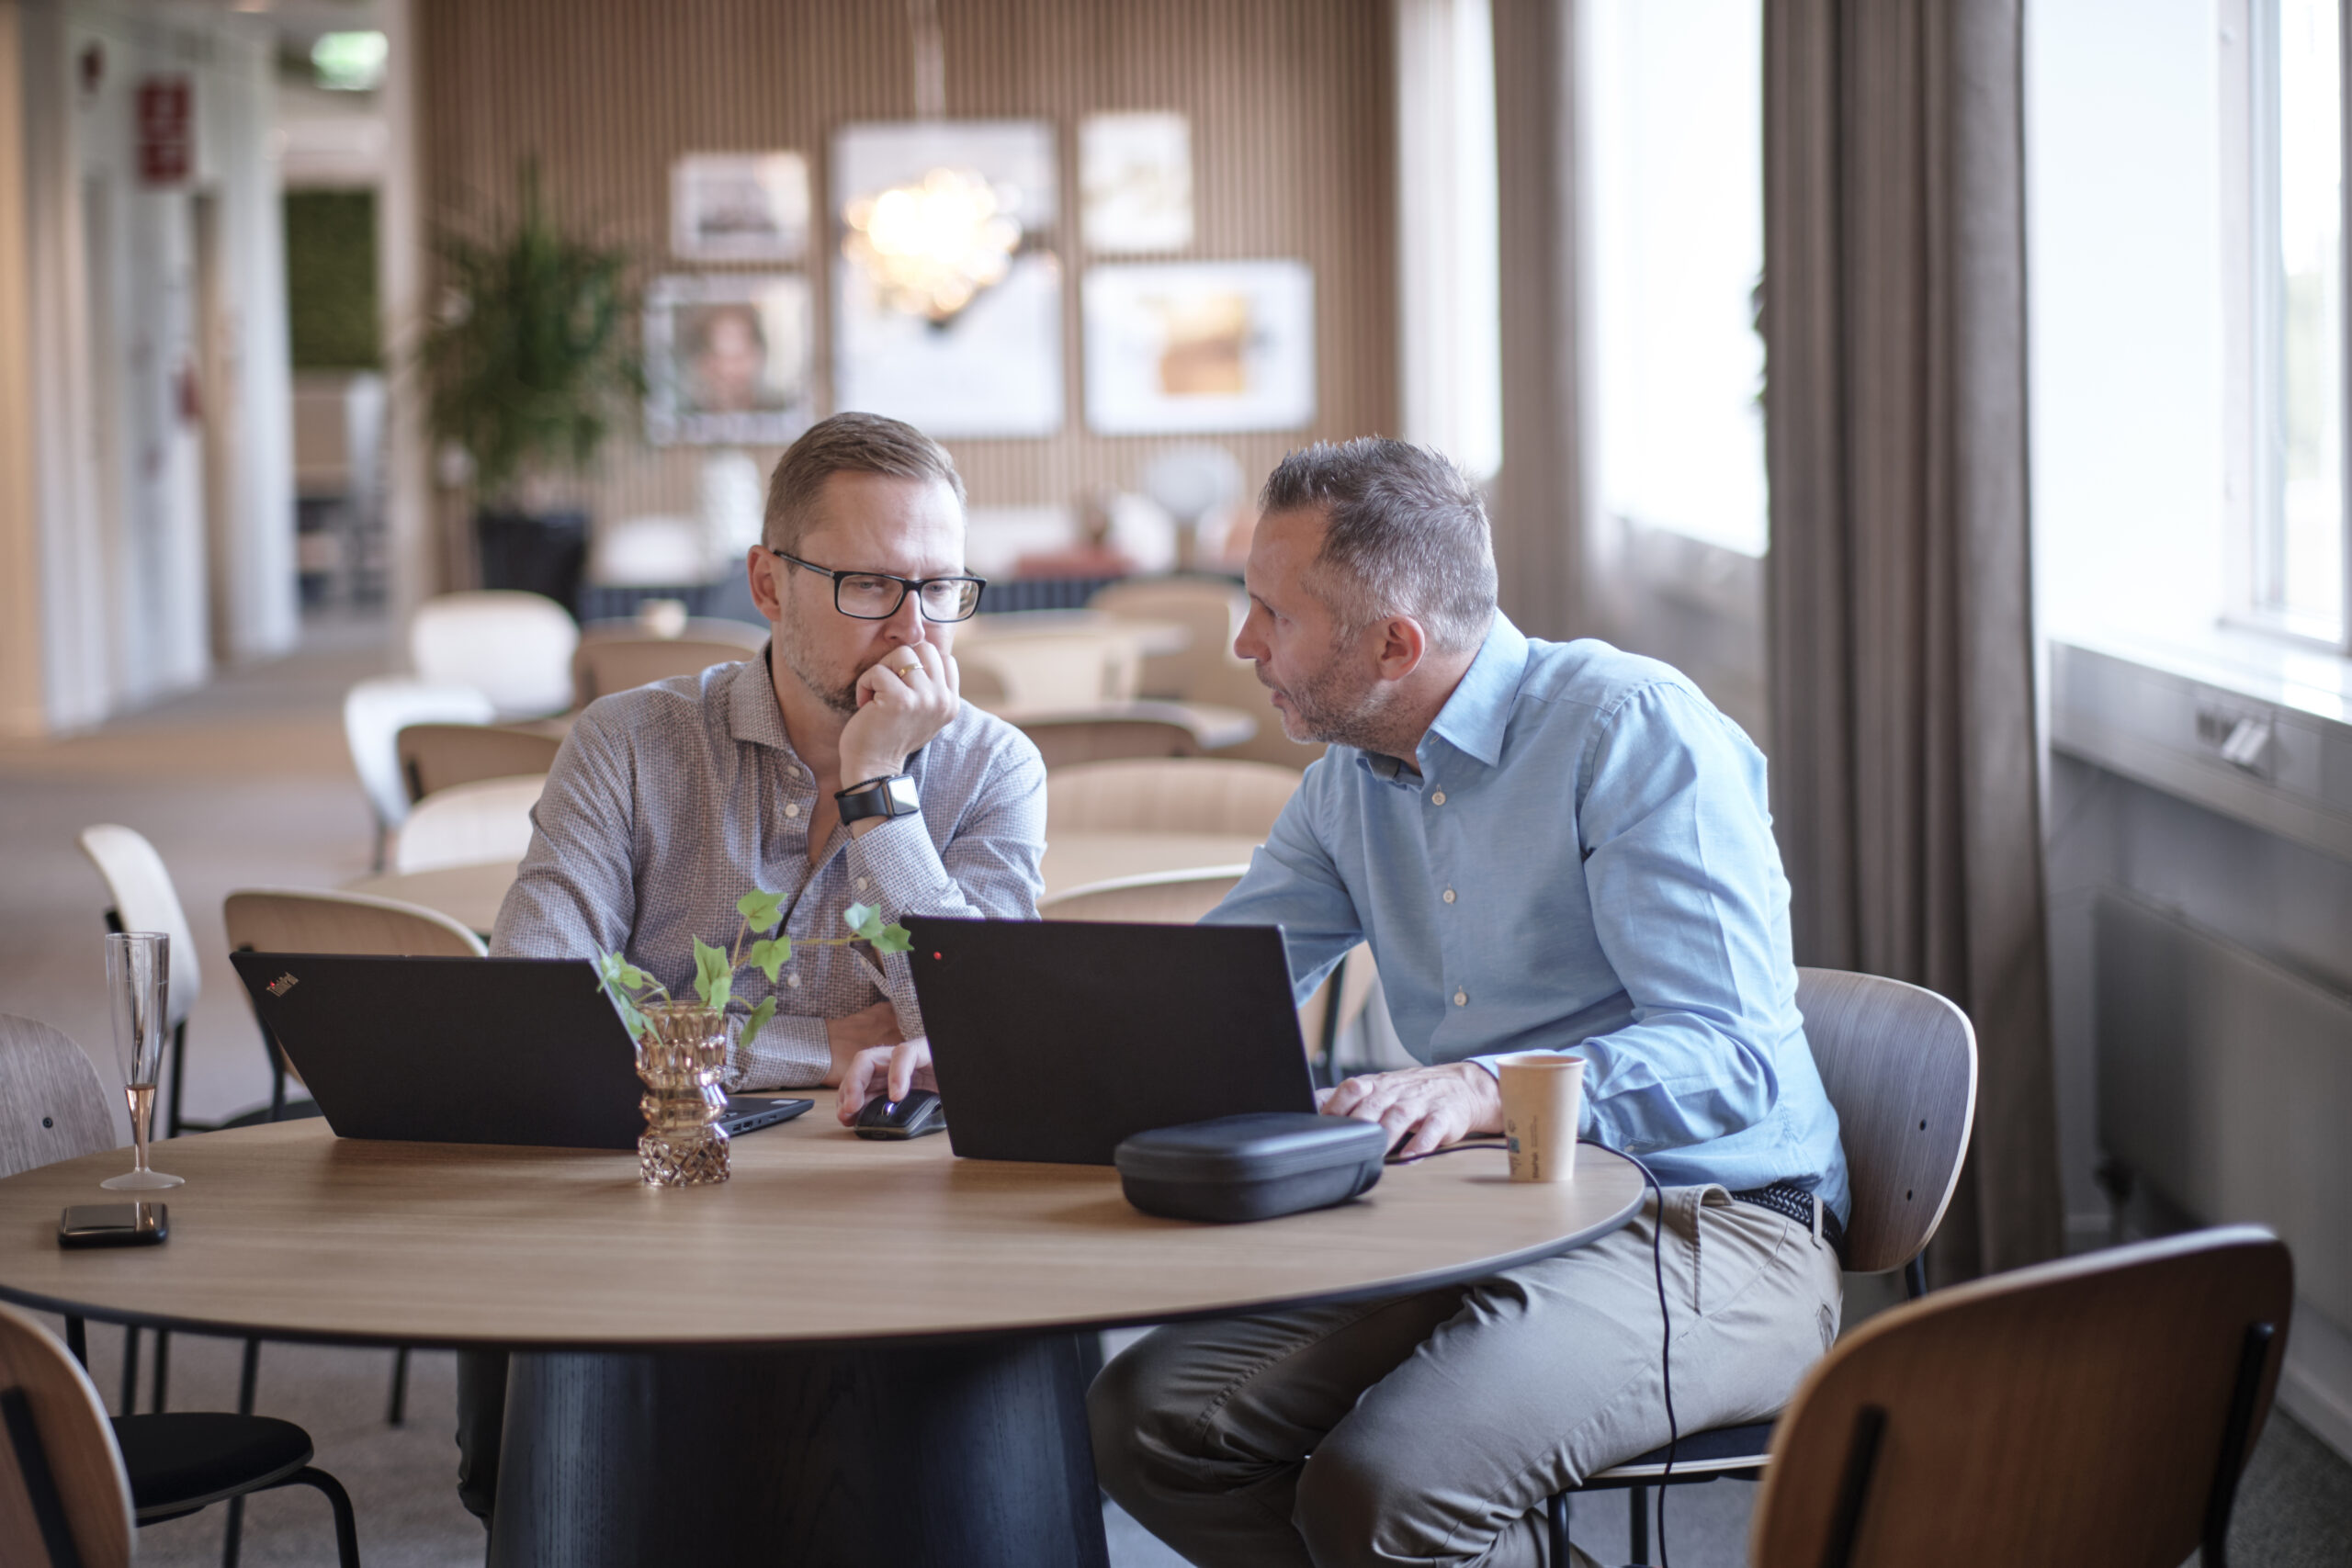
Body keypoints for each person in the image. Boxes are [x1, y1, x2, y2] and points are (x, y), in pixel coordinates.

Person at [1086, 438, 1850, 1568]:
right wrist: (986, 1043)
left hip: (1713, 1225)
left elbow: (1732, 1052)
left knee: (1387, 1490)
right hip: (1491, 1211)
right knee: (1151, 1420)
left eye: (1270, 615)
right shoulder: (1346, 784)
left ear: (1394, 643)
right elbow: (1214, 990)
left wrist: (1485, 1087)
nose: (1242, 645)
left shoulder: (1629, 728)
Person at [458, 411, 1046, 1525]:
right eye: (870, 586)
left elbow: (1000, 1041)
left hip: (903, 1222)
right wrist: (829, 1044)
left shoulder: (991, 766)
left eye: (940, 588)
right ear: (767, 585)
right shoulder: (627, 744)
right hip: (655, 1215)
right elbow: (531, 1016)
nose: (914, 630)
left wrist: (881, 794)